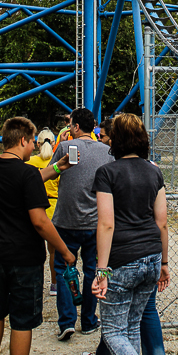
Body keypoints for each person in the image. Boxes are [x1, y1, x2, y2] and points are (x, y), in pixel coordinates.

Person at [0, 117, 76, 355]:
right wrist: (65, 251)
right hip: (24, 257)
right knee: (21, 319)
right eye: (32, 142)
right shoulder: (27, 175)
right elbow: (40, 222)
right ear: (23, 140)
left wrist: (56, 168)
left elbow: (22, 180)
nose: (34, 146)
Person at [92, 113, 170, 355]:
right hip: (152, 257)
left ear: (115, 139)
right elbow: (162, 221)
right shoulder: (154, 172)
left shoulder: (107, 173)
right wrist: (164, 263)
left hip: (122, 260)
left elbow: (106, 224)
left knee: (112, 330)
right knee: (132, 327)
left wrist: (102, 270)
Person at [50, 108, 113, 339]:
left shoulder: (67, 148)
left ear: (76, 127)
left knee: (63, 269)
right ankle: (88, 320)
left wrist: (63, 145)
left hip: (66, 220)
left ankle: (66, 320)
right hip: (94, 223)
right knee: (91, 271)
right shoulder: (106, 151)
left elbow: (52, 172)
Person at [27, 128, 59, 295]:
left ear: (37, 143)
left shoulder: (30, 162)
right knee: (53, 251)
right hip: (53, 207)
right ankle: (54, 284)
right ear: (54, 143)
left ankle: (35, 283)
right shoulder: (57, 164)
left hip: (35, 207)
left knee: (35, 250)